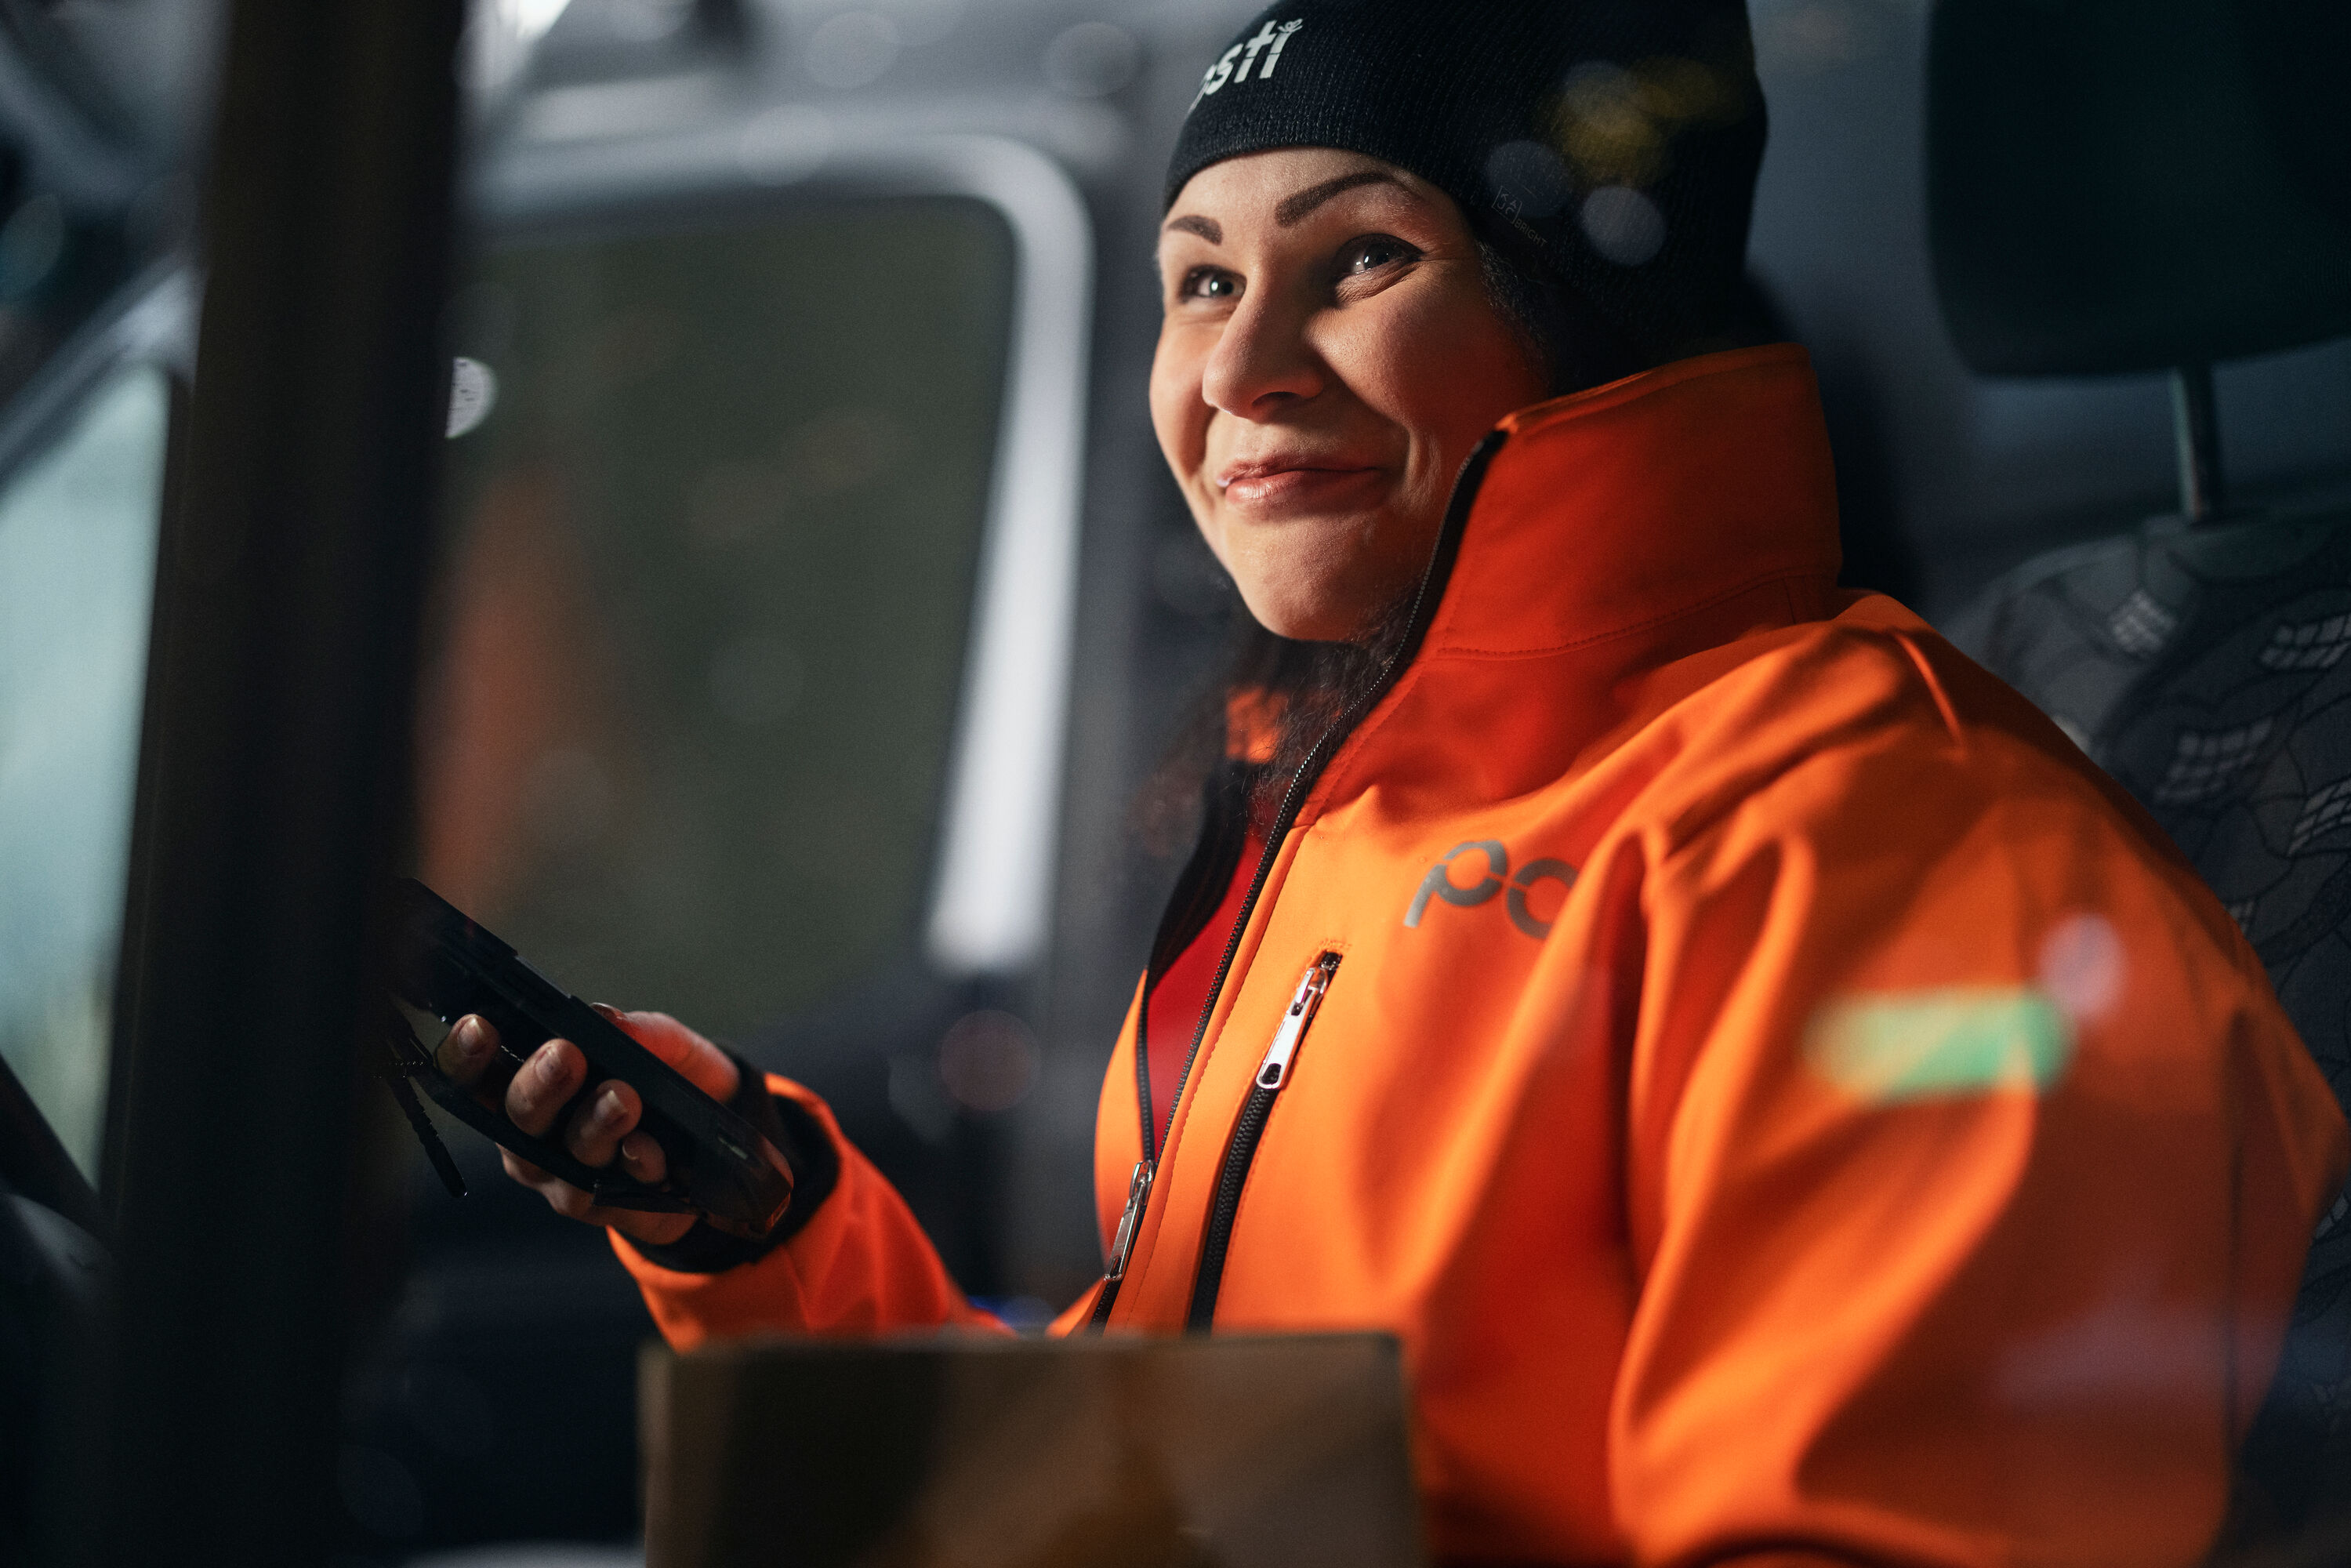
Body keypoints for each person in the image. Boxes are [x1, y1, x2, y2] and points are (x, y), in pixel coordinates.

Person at [436, 2, 2350, 1560]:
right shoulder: (1344, 813)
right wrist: (763, 1228)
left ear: (1581, 312)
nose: (1244, 366)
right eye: (1197, 282)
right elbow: (1199, 1475)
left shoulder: (1895, 858)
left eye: (1361, 256)